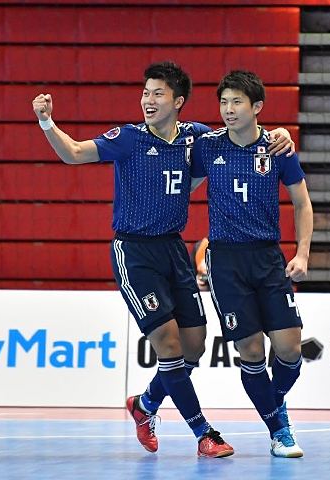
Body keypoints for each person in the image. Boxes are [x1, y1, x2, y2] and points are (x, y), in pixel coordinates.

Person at [32, 61, 294, 458]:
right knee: (169, 346)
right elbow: (73, 153)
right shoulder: (129, 138)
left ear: (179, 101)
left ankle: (145, 403)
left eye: (157, 94)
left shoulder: (197, 138)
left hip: (173, 248)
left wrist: (279, 135)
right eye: (145, 93)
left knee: (195, 345)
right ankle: (204, 433)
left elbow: (241, 136)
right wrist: (48, 123)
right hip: (134, 251)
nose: (148, 100)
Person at [190, 70, 313, 458]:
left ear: (257, 107)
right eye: (223, 102)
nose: (228, 109)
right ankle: (280, 430)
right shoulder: (208, 146)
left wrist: (304, 252)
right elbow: (178, 174)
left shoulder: (278, 148)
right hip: (225, 261)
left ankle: (272, 405)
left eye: (236, 102)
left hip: (268, 257)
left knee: (290, 349)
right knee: (251, 351)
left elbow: (302, 203)